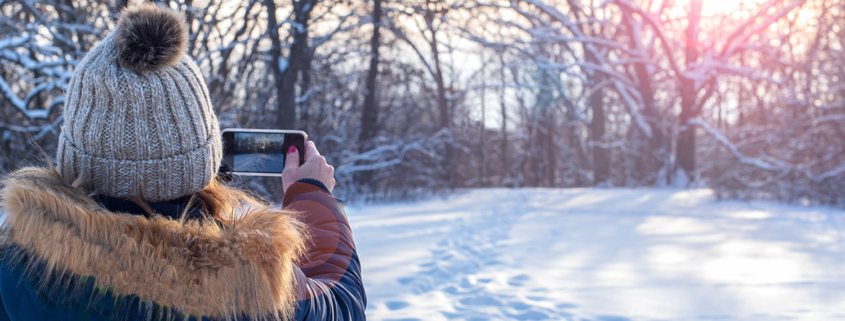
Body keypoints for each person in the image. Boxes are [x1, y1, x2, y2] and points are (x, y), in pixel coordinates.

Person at [0, 4, 365, 321]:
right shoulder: (247, 283)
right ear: (204, 162)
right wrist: (315, 200)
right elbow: (341, 306)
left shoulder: (14, 266)